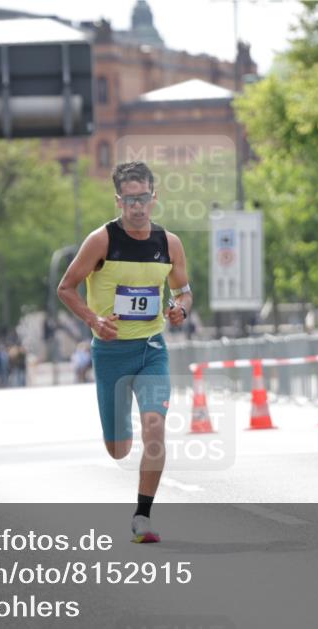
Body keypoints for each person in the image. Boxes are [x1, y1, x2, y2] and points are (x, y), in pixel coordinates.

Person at [57, 161, 192, 544]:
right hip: (111, 352)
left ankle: (142, 517)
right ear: (118, 200)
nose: (138, 206)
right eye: (130, 199)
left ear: (154, 197)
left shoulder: (169, 244)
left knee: (156, 426)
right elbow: (66, 288)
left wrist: (181, 308)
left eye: (144, 198)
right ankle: (121, 427)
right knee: (118, 449)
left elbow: (183, 290)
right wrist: (93, 320)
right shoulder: (101, 240)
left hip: (152, 349)